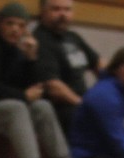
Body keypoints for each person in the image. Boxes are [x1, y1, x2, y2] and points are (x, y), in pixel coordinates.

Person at [0, 3, 98, 158]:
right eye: (10, 24)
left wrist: (31, 58)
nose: (15, 30)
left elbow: (30, 85)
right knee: (16, 107)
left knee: (42, 106)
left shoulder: (17, 49)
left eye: (20, 25)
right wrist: (23, 96)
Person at [32, 0, 102, 132]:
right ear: (43, 11)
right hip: (61, 106)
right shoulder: (40, 39)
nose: (63, 14)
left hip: (81, 100)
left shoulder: (73, 37)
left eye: (67, 9)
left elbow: (98, 63)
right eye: (56, 9)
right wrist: (83, 104)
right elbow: (54, 87)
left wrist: (112, 88)